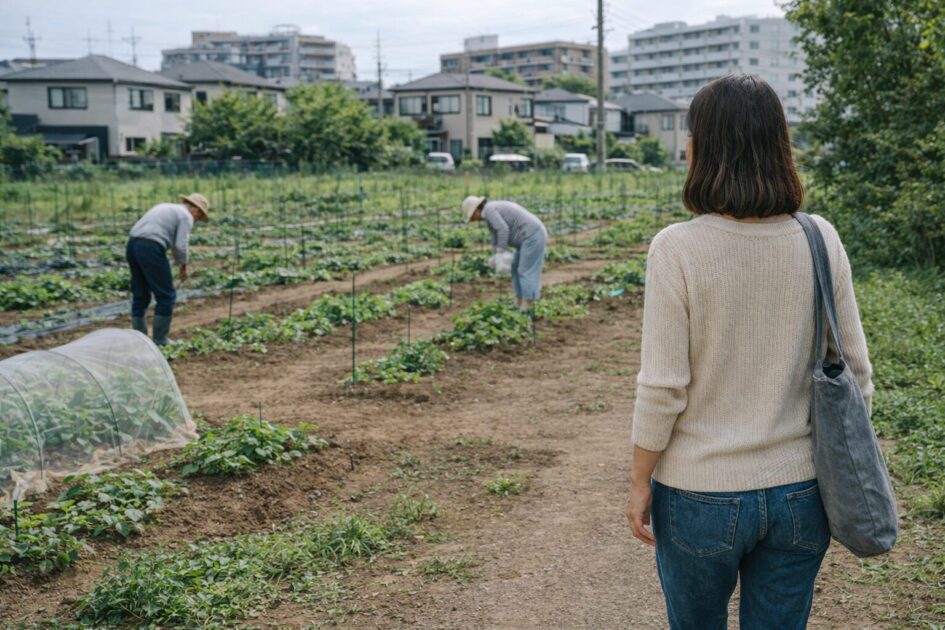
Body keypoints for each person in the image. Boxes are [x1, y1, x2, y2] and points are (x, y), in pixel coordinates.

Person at [625, 74, 873, 629]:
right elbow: (855, 372)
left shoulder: (677, 247)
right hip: (801, 492)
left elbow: (663, 386)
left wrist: (640, 480)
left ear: (702, 147)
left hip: (697, 494)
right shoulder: (819, 238)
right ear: (779, 145)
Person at [126, 193, 209, 345]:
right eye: (199, 217)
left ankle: (140, 341)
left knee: (141, 294)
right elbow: (180, 245)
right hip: (151, 246)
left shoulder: (164, 206)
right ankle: (160, 339)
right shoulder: (185, 216)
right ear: (196, 210)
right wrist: (183, 266)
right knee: (166, 296)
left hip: (132, 244)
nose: (196, 220)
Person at [462, 196, 548, 309]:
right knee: (515, 268)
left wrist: (501, 251)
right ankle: (519, 302)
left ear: (476, 210)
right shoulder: (489, 212)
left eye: (472, 217)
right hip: (525, 239)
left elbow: (503, 229)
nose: (474, 220)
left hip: (532, 236)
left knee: (525, 270)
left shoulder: (489, 211)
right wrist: (495, 255)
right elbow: (495, 236)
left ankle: (528, 305)